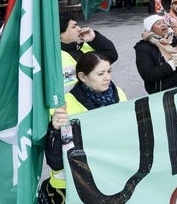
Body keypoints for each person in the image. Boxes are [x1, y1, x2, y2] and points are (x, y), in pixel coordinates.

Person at [38, 52, 127, 204]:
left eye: (109, 71)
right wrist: (55, 130)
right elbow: (55, 160)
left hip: (111, 176)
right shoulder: (64, 105)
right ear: (83, 76)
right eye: (100, 73)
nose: (107, 78)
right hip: (74, 184)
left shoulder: (118, 93)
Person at [135, 14, 177, 94]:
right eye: (158, 23)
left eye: (164, 22)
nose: (163, 25)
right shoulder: (143, 48)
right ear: (150, 29)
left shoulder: (176, 39)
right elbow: (148, 75)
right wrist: (171, 65)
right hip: (160, 92)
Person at [59, 13, 118, 87]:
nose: (79, 29)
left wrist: (94, 38)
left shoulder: (84, 46)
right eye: (74, 27)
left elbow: (111, 55)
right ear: (61, 34)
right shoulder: (56, 55)